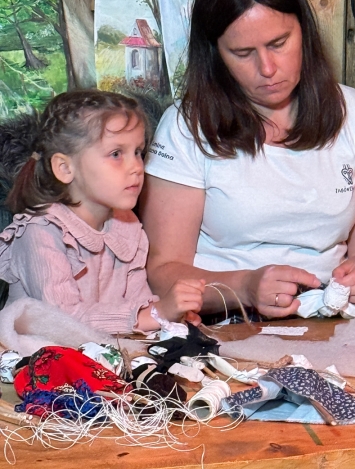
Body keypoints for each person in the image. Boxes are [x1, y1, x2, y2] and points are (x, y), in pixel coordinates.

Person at [141, 0, 355, 318]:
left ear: (304, 32)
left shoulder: (353, 114)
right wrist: (245, 287)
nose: (267, 68)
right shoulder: (186, 126)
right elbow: (162, 272)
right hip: (225, 321)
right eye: (243, 52)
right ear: (215, 54)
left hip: (329, 317)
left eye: (279, 43)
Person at [0, 91, 205, 334]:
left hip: (108, 350)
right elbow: (63, 320)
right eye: (116, 154)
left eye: (138, 152)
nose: (136, 167)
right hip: (38, 353)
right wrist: (155, 314)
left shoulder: (127, 225)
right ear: (64, 168)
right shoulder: (39, 232)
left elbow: (138, 302)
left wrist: (171, 318)